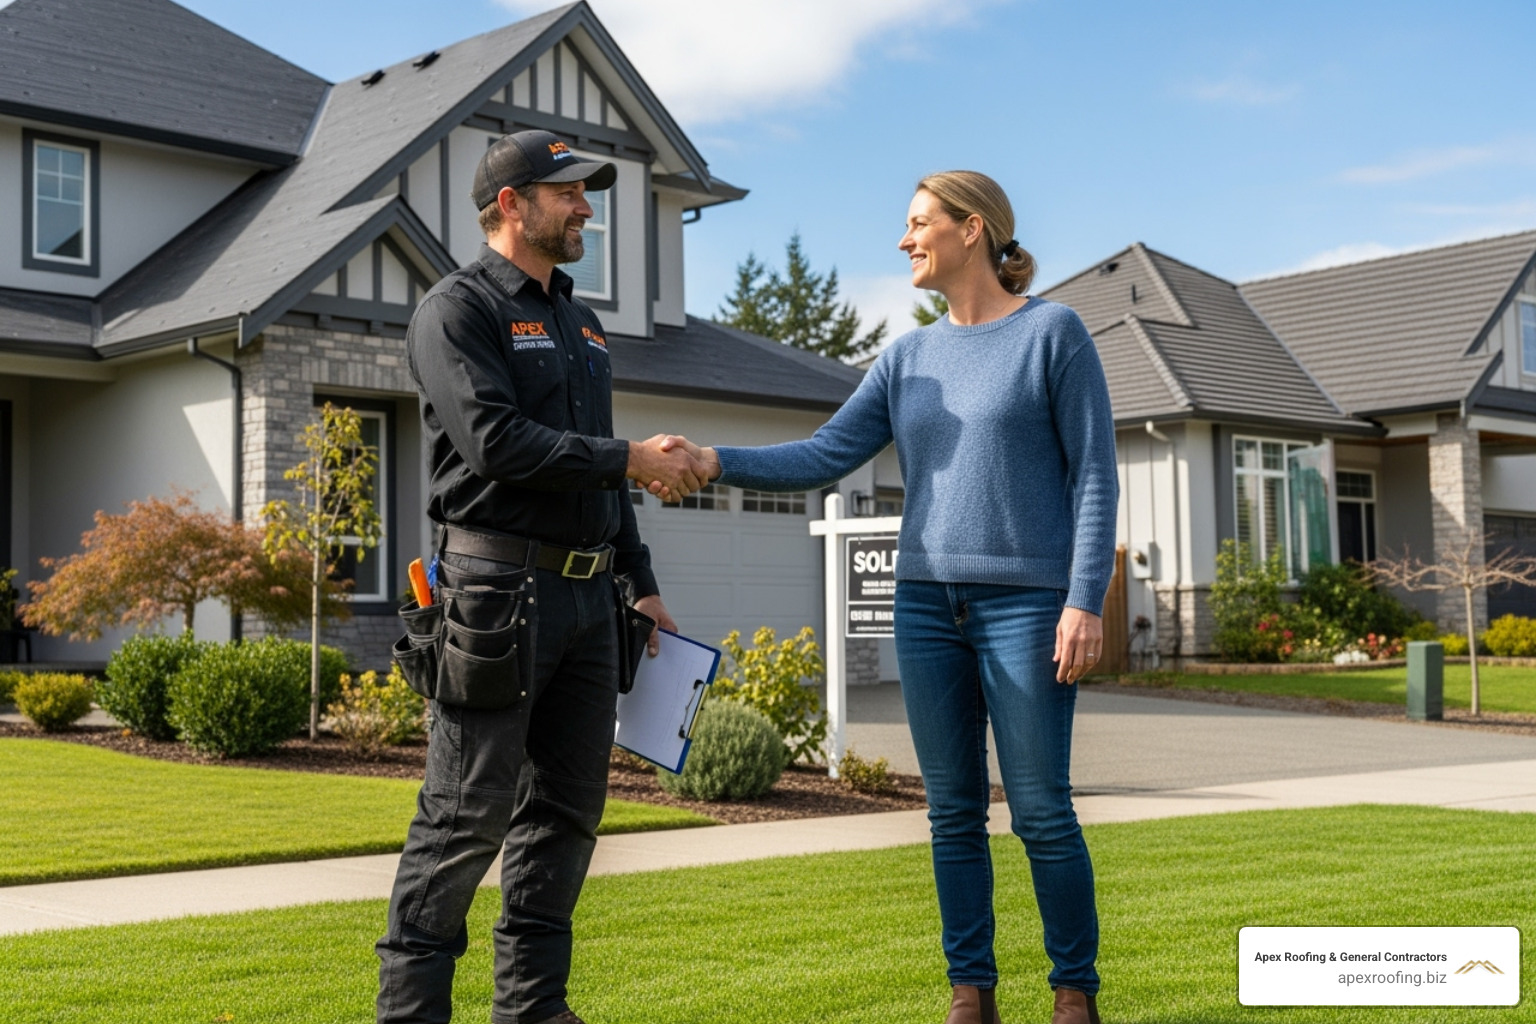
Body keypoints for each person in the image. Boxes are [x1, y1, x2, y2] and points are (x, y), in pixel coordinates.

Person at [663, 171, 1116, 1024]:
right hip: (925, 604)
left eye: (918, 224)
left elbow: (1095, 475)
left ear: (971, 229)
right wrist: (716, 459)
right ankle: (969, 993)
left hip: (1028, 603)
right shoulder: (907, 358)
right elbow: (825, 452)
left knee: (1041, 809)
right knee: (951, 812)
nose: (905, 241)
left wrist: (1083, 599)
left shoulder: (1054, 334)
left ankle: (1073, 995)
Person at [376, 129, 709, 1024]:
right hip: (494, 598)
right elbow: (496, 445)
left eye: (586, 193)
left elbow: (606, 473)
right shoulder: (456, 310)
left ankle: (533, 1009)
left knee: (565, 814)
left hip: (591, 602)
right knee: (464, 816)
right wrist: (630, 456)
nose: (588, 208)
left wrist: (640, 580)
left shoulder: (581, 321)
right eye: (569, 194)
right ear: (512, 204)